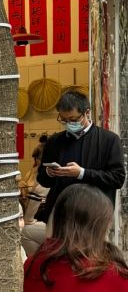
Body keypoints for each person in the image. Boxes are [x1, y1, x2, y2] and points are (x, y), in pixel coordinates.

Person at [23, 91, 125, 258]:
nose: (68, 123)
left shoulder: (108, 140)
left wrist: (81, 173)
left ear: (87, 112)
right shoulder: (54, 142)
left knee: (89, 261)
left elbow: (117, 178)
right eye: (63, 119)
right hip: (58, 212)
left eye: (73, 120)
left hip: (93, 215)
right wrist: (49, 172)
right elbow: (43, 180)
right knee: (56, 258)